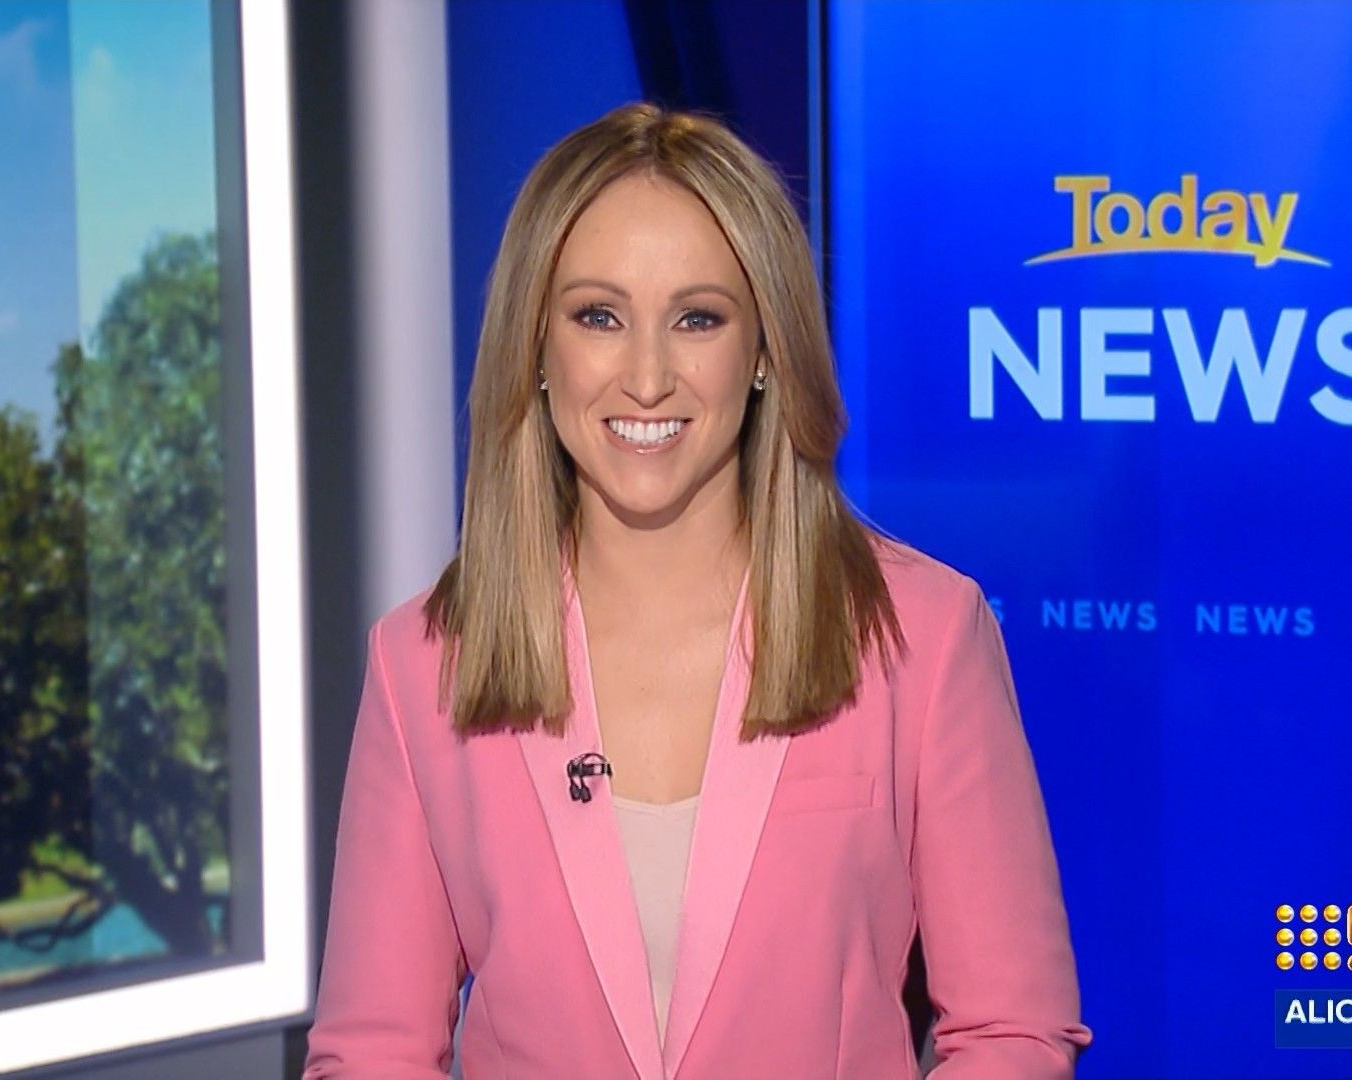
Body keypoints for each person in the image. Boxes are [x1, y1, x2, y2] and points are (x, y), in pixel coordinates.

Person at [303, 101, 1091, 1080]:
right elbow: (372, 1054)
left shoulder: (922, 637)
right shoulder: (422, 664)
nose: (647, 377)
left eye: (697, 319)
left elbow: (1013, 1032)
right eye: (598, 317)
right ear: (535, 348)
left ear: (764, 350)